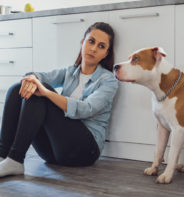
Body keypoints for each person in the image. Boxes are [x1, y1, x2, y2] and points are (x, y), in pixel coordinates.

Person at [0, 22, 118, 177]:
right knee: (18, 88)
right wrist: (31, 79)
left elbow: (87, 109)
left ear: (106, 54)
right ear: (82, 43)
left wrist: (47, 93)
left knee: (42, 92)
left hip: (85, 151)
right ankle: (3, 155)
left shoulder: (109, 80)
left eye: (101, 46)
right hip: (53, 152)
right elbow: (41, 76)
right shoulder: (70, 72)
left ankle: (15, 159)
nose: (94, 48)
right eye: (91, 41)